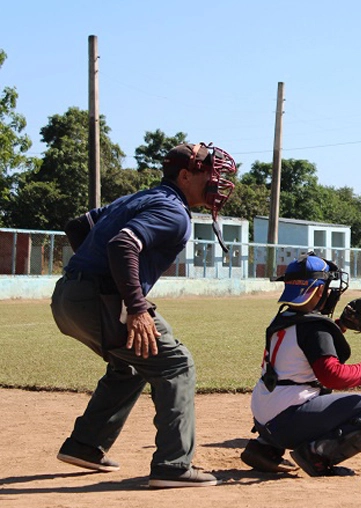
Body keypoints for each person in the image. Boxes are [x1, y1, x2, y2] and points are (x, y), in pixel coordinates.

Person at [51, 142, 237, 488]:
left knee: (135, 362)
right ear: (185, 175)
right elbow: (123, 244)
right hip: (97, 299)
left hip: (67, 297)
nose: (217, 181)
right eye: (210, 173)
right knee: (176, 364)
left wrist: (93, 274)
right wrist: (135, 307)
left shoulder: (138, 198)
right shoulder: (173, 211)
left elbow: (78, 226)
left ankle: (85, 445)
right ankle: (173, 465)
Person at [241, 254, 361, 477]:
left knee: (299, 387)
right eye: (327, 286)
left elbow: (302, 350)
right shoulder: (315, 328)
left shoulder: (283, 318)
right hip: (287, 421)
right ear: (318, 290)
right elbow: (333, 376)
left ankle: (264, 447)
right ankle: (316, 455)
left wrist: (341, 326)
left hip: (264, 417)